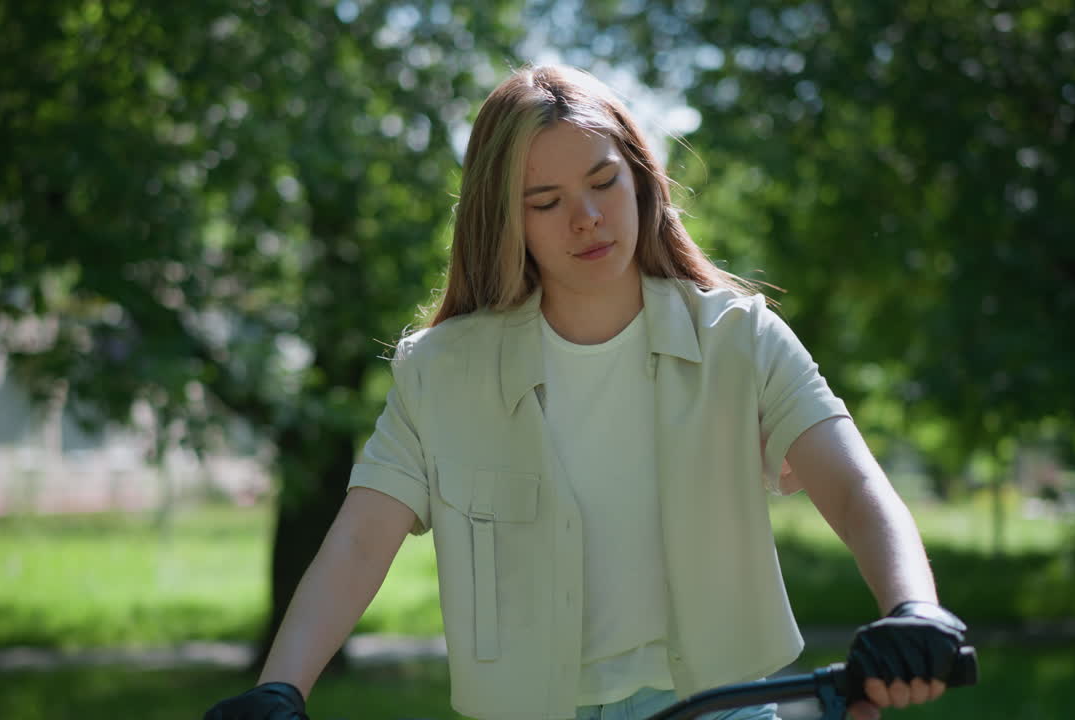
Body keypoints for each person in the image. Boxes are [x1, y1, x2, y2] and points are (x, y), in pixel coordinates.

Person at [204, 64, 969, 720]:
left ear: (640, 179)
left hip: (721, 704)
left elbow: (855, 485)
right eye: (547, 201)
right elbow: (360, 539)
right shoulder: (440, 371)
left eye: (604, 182)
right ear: (506, 219)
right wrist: (280, 688)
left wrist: (913, 606)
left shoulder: (741, 338)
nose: (588, 217)